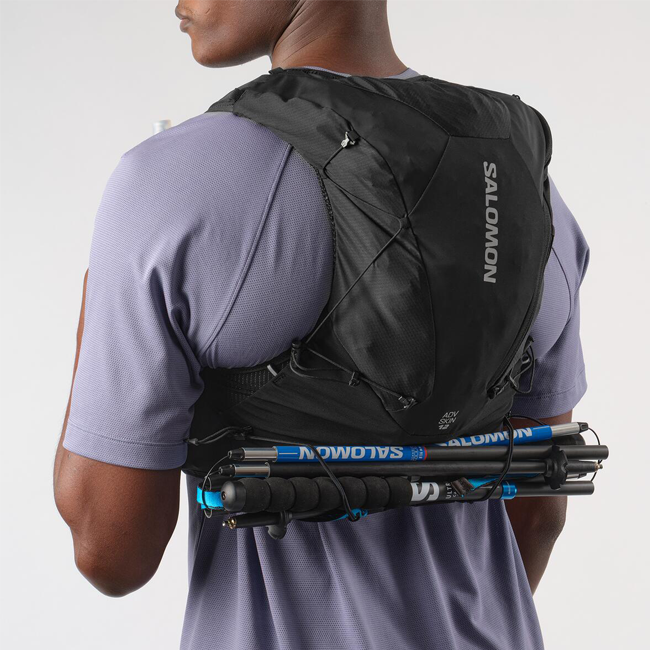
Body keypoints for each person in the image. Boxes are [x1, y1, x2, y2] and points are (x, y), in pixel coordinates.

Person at [53, 1, 590, 648]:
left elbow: (111, 551)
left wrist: (97, 310)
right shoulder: (527, 188)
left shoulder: (171, 179)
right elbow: (539, 513)